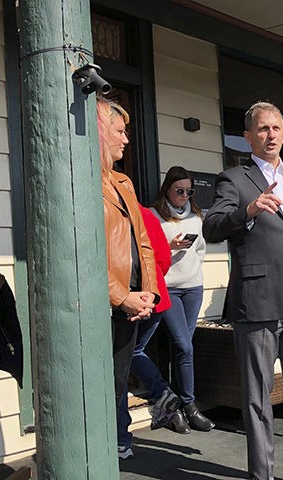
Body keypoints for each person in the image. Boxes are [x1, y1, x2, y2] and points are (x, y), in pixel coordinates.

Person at [203, 101, 283, 480]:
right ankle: (262, 476)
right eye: (262, 129)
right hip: (257, 302)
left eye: (276, 127)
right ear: (248, 137)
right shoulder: (233, 179)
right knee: (257, 400)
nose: (270, 134)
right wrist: (248, 211)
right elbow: (212, 227)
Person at [97, 97, 159, 458]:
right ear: (100, 132)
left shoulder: (124, 181)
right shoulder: (83, 181)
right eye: (119, 131)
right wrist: (122, 296)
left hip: (132, 304)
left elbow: (143, 243)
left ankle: (114, 448)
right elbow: (83, 254)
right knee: (102, 388)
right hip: (106, 305)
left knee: (119, 384)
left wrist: (147, 292)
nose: (126, 140)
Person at [116, 205, 189, 460]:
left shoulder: (113, 211)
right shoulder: (145, 213)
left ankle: (121, 441)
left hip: (128, 300)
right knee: (133, 354)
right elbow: (163, 259)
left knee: (119, 368)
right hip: (156, 298)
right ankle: (163, 394)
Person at [150, 166, 215, 432]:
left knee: (184, 347)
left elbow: (200, 249)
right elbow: (147, 252)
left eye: (190, 191)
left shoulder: (196, 217)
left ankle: (179, 406)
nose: (185, 196)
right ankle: (187, 404)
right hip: (168, 288)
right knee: (183, 346)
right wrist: (170, 247)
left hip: (192, 287)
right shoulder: (154, 216)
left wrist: (193, 268)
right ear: (168, 189)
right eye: (180, 191)